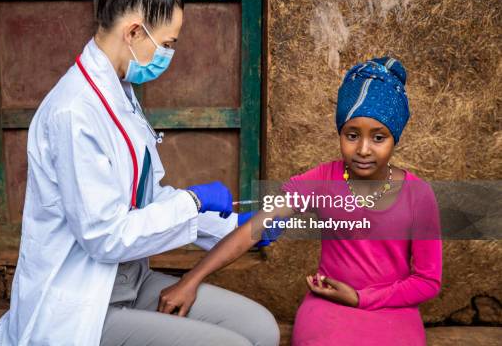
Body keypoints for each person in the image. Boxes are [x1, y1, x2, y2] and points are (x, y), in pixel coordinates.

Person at [0, 0, 280, 345]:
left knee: (260, 329)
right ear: (133, 32)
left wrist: (229, 226)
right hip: (84, 303)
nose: (169, 55)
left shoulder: (119, 93)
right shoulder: (74, 112)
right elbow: (104, 236)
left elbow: (144, 203)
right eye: (167, 44)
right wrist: (192, 203)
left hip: (127, 280)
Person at [158, 57, 443, 345]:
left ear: (396, 139)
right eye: (352, 135)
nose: (363, 149)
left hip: (391, 311)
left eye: (379, 138)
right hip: (330, 306)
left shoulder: (418, 196)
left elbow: (427, 281)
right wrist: (191, 280)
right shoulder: (322, 181)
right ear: (340, 133)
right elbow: (251, 231)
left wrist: (360, 298)